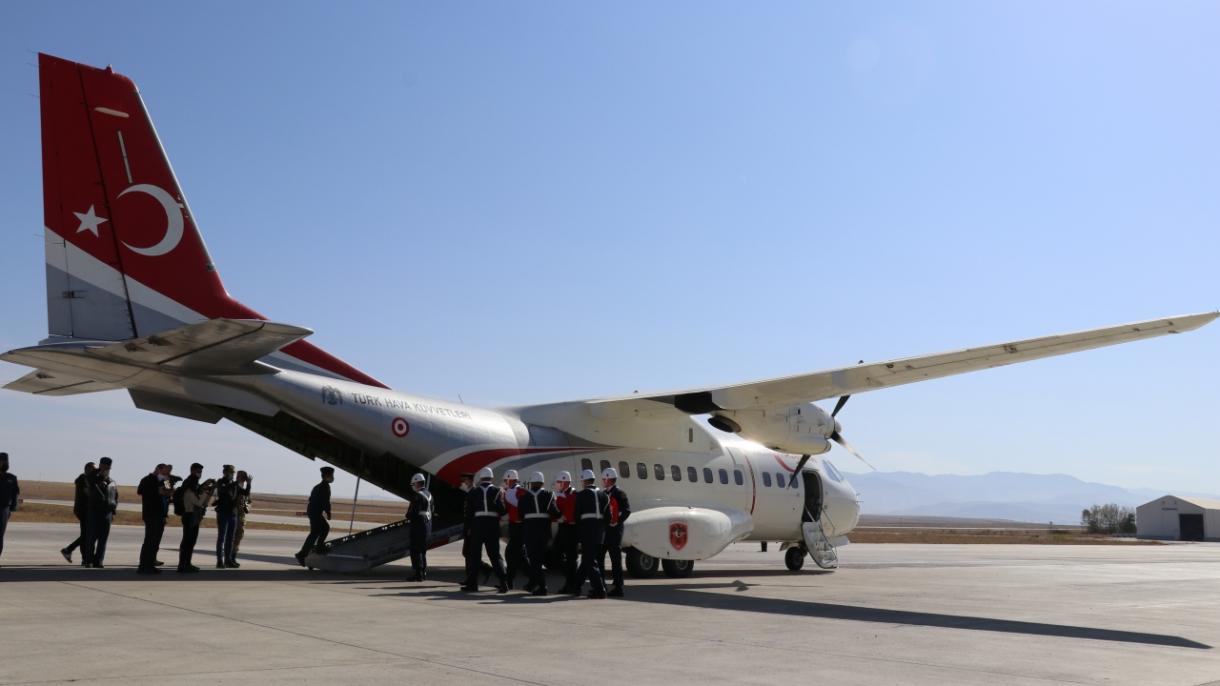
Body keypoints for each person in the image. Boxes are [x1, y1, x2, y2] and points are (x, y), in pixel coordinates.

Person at [461, 467, 507, 593]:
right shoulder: (498, 491)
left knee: (474, 556)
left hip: (478, 525)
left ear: (481, 479)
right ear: (491, 478)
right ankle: (504, 583)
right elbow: (502, 510)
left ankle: (472, 584)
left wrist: (468, 529)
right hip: (492, 525)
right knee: (495, 555)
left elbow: (469, 514)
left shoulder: (474, 492)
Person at [518, 471, 560, 596]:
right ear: (542, 483)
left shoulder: (524, 497)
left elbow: (520, 515)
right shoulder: (548, 495)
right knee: (539, 559)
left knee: (534, 560)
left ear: (531, 484)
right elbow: (554, 512)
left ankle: (541, 586)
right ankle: (538, 585)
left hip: (530, 531)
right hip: (544, 531)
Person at [571, 469, 610, 599]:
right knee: (587, 561)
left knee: (590, 561)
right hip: (600, 533)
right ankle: (576, 587)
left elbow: (577, 515)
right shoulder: (604, 495)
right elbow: (608, 517)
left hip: (587, 531)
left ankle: (599, 589)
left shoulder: (581, 495)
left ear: (584, 481)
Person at [600, 467, 632, 597]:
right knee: (600, 558)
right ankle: (601, 584)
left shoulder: (619, 493)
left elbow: (627, 510)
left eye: (604, 479)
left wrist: (617, 521)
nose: (603, 481)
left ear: (608, 479)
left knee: (615, 560)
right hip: (604, 531)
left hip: (614, 532)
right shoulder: (604, 493)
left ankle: (618, 587)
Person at [178, 464, 214, 573]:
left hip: (192, 514)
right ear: (192, 470)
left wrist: (204, 485)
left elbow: (197, 492)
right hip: (190, 514)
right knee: (188, 541)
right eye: (198, 471)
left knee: (190, 541)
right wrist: (207, 492)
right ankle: (183, 565)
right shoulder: (190, 482)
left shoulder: (192, 482)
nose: (200, 473)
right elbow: (197, 501)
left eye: (201, 471)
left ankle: (186, 564)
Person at [136, 463, 171, 574]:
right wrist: (158, 490)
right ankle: (144, 565)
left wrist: (165, 484)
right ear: (158, 469)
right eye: (164, 471)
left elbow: (169, 492)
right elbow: (140, 491)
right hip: (151, 514)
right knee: (150, 540)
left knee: (155, 541)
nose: (166, 473)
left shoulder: (165, 479)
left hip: (161, 514)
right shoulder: (147, 479)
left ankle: (150, 564)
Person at [295, 466, 333, 566]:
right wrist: (328, 512)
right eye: (331, 475)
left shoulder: (317, 486)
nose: (332, 477)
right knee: (323, 529)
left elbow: (312, 499)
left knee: (316, 532)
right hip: (315, 512)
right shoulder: (325, 487)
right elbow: (326, 501)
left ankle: (306, 552)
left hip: (313, 512)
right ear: (326, 476)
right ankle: (304, 553)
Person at [84, 457, 118, 568]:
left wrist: (113, 511)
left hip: (107, 513)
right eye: (105, 466)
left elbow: (115, 497)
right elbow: (90, 480)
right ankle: (88, 559)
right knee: (91, 537)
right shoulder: (93, 477)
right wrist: (99, 473)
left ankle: (98, 561)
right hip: (94, 512)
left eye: (109, 467)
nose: (107, 468)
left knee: (103, 539)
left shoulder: (111, 481)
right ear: (101, 465)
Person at [61, 461, 95, 564]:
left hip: (84, 510)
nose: (94, 472)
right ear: (87, 469)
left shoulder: (85, 479)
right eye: (92, 469)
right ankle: (69, 550)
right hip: (84, 510)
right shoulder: (83, 480)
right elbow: (87, 494)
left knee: (85, 535)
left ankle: (84, 558)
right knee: (87, 535)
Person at [553, 471, 579, 594]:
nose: (556, 484)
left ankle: (571, 584)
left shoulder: (574, 495)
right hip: (562, 527)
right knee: (556, 555)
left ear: (565, 482)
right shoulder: (560, 495)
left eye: (558, 482)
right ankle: (571, 580)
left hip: (572, 529)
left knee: (571, 558)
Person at [501, 469, 527, 588]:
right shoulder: (510, 491)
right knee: (517, 554)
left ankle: (509, 581)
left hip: (520, 526)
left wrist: (507, 495)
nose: (505, 482)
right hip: (514, 525)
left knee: (511, 553)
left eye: (506, 480)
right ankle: (510, 581)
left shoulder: (520, 491)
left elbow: (519, 505)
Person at [405, 473, 432, 582]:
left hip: (418, 526)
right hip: (427, 525)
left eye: (413, 484)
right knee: (422, 550)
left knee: (416, 551)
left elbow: (412, 512)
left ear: (416, 483)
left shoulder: (417, 495)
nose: (413, 486)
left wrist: (408, 515)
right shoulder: (429, 495)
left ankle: (418, 573)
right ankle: (423, 572)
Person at [213, 465, 240, 568]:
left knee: (230, 538)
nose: (232, 474)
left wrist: (248, 484)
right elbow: (223, 490)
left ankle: (228, 560)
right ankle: (220, 561)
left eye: (233, 473)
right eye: (231, 472)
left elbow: (243, 494)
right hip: (223, 513)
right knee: (221, 538)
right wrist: (233, 484)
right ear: (225, 472)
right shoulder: (221, 482)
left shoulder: (234, 485)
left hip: (232, 514)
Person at [0, 453, 18, 565]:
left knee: (0, 535)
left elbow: (15, 494)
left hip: (4, 510)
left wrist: (12, 508)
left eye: (3, 460)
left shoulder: (11, 478)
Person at [233, 471, 252, 559]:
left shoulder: (244, 490)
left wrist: (247, 507)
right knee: (232, 537)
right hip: (234, 515)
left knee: (239, 536)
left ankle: (233, 556)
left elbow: (249, 501)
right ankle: (230, 557)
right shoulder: (235, 487)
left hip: (241, 517)